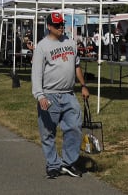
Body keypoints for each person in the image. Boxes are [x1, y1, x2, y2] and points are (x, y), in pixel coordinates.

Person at [31, 12, 89, 179]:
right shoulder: (42, 47)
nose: (61, 27)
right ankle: (53, 164)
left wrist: (83, 85)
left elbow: (76, 66)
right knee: (48, 132)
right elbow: (36, 74)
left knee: (74, 128)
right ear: (49, 26)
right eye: (57, 25)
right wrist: (40, 96)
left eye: (62, 24)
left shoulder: (71, 43)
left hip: (69, 95)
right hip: (50, 95)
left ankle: (68, 163)